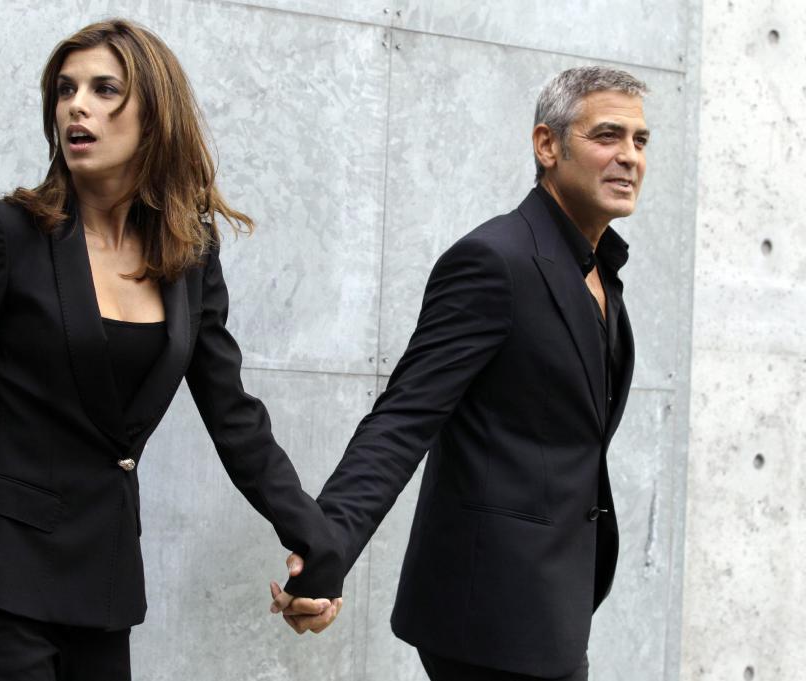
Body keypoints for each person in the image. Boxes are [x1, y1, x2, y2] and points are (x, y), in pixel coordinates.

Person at [0, 18, 341, 680]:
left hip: (102, 583)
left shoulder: (189, 256)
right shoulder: (5, 234)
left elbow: (235, 416)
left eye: (105, 89)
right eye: (65, 89)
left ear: (154, 114)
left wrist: (317, 542)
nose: (77, 104)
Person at [273, 66, 650, 680]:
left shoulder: (599, 269)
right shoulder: (494, 261)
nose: (629, 157)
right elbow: (403, 418)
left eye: (640, 140)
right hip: (487, 615)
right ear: (547, 145)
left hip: (553, 604)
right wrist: (325, 552)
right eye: (607, 135)